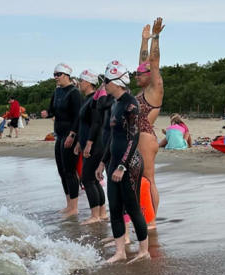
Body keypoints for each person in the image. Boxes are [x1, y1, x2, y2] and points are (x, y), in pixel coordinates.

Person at [95, 61, 149, 264]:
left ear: (117, 81)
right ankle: (120, 252)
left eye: (106, 81)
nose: (104, 85)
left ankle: (143, 251)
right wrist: (103, 163)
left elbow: (133, 138)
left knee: (133, 207)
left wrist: (122, 166)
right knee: (115, 207)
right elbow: (112, 139)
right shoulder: (115, 104)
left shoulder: (130, 104)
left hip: (130, 164)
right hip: (115, 163)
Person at [41, 63, 82, 218]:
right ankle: (68, 204)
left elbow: (79, 115)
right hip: (59, 133)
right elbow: (53, 109)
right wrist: (46, 112)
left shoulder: (74, 92)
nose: (56, 78)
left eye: (58, 74)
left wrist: (73, 134)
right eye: (54, 75)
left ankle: (74, 207)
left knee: (70, 171)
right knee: (61, 170)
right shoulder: (57, 91)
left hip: (70, 133)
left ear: (66, 75)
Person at [135, 17, 166, 229]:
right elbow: (144, 62)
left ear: (151, 76)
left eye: (139, 74)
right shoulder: (141, 91)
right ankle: (143, 214)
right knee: (138, 181)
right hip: (136, 137)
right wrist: (143, 41)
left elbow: (153, 63)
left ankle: (152, 220)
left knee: (148, 179)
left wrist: (155, 37)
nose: (136, 75)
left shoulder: (155, 89)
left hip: (146, 138)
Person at [75, 69, 107, 225]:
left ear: (88, 82)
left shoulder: (94, 100)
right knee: (93, 179)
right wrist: (79, 143)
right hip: (91, 142)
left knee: (87, 179)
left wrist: (89, 143)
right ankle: (102, 212)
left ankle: (95, 216)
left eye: (81, 81)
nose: (79, 83)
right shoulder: (87, 99)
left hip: (96, 143)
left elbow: (97, 123)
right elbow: (85, 124)